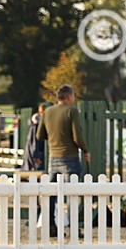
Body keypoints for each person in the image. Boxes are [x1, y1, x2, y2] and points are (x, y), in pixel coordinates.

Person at [37, 85, 88, 237]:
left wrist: (54, 138)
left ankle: (51, 226)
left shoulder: (48, 112)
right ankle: (73, 228)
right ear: (69, 97)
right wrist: (85, 150)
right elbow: (77, 136)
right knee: (72, 193)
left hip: (53, 157)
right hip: (70, 156)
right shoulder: (71, 111)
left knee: (51, 193)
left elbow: (40, 135)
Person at [23, 103, 47, 171]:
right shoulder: (37, 126)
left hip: (33, 155)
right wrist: (36, 156)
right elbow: (35, 142)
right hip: (37, 157)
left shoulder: (35, 124)